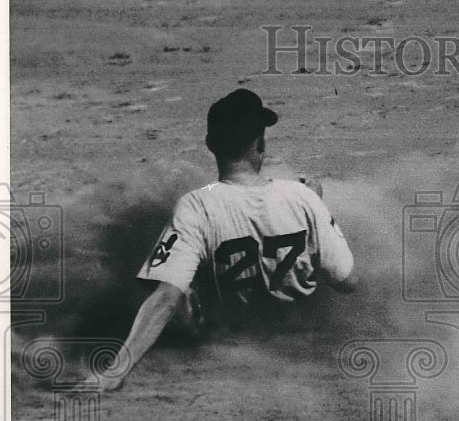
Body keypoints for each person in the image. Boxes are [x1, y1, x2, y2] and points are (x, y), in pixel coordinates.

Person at [97, 88, 358, 390]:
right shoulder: (303, 196)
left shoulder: (196, 205)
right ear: (261, 144)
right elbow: (347, 282)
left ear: (211, 145)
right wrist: (316, 209)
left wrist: (113, 373)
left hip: (221, 351)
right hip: (300, 354)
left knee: (184, 279)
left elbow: (165, 299)